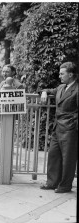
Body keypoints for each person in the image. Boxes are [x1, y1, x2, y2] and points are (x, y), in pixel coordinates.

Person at [40, 62, 78, 193]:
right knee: (53, 155)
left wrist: (73, 125)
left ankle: (65, 185)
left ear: (71, 74)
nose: (59, 75)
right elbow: (51, 90)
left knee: (68, 159)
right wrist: (44, 92)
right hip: (57, 127)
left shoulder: (77, 89)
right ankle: (52, 182)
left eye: (62, 73)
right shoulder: (62, 87)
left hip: (70, 129)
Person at [0, 64, 25, 163]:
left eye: (7, 71)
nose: (4, 73)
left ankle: (5, 159)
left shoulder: (18, 84)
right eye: (3, 71)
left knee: (7, 136)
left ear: (13, 73)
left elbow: (20, 99)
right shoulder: (2, 83)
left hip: (9, 114)